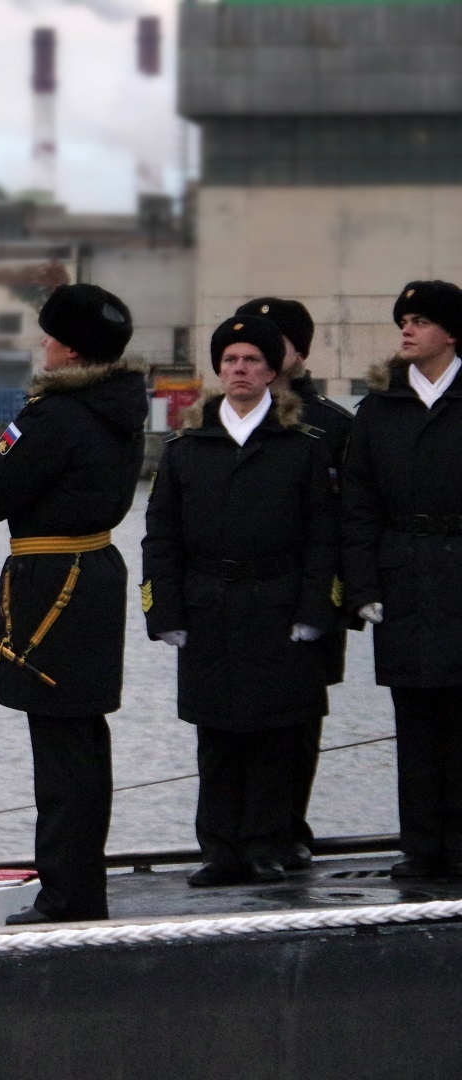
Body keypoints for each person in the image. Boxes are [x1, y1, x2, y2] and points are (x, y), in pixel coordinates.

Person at [0, 283, 146, 924]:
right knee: (80, 739)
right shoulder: (115, 408)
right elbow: (44, 482)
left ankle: (69, 896)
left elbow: (4, 492)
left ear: (70, 346)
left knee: (60, 751)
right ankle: (78, 886)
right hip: (93, 571)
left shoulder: (57, 414)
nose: (40, 344)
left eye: (48, 334)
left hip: (54, 584)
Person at [141, 315, 338, 887]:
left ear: (273, 372)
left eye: (251, 360)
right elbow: (162, 537)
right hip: (209, 608)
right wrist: (165, 613)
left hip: (278, 605)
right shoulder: (186, 449)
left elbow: (322, 540)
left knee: (275, 735)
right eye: (230, 360)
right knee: (218, 735)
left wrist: (314, 611)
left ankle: (268, 846)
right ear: (219, 369)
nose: (240, 369)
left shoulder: (299, 447)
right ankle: (221, 849)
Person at [341, 280, 462, 879]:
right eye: (403, 321)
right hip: (405, 574)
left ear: (452, 333)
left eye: (419, 320)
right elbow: (358, 506)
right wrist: (362, 587)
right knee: (413, 719)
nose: (406, 331)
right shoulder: (381, 410)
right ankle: (420, 845)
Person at [233, 297, 357, 870]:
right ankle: (234, 834)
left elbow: (354, 520)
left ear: (297, 352)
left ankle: (287, 829)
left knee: (299, 717)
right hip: (238, 597)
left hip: (312, 595)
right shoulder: (221, 422)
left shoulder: (331, 426)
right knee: (229, 713)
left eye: (269, 339)